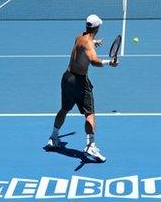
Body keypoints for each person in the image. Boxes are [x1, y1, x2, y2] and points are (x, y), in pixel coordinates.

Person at [45, 14, 119, 162]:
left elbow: (82, 47)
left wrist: (93, 42)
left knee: (64, 109)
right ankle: (90, 146)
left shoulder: (80, 37)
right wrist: (109, 62)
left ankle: (53, 138)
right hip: (79, 82)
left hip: (67, 78)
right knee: (89, 113)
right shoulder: (88, 44)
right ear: (97, 27)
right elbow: (93, 61)